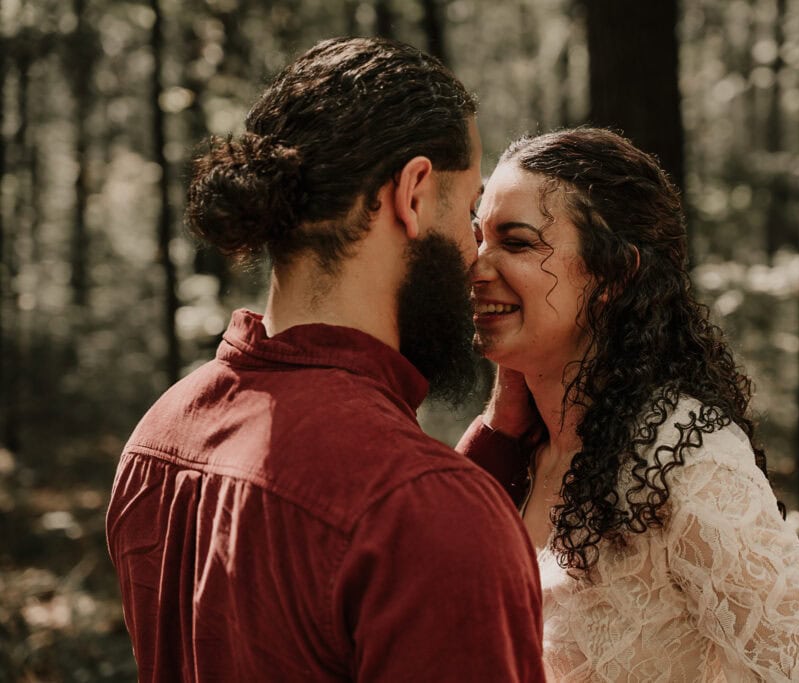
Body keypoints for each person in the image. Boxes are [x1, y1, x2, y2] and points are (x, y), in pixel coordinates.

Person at [105, 37, 545, 682]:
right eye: (470, 208)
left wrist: (497, 444)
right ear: (414, 193)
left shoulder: (161, 434)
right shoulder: (422, 509)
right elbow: (395, 519)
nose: (474, 251)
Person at [458, 127, 799, 682]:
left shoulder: (682, 457)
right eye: (478, 239)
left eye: (515, 242)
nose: (477, 266)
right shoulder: (529, 446)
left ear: (615, 273)